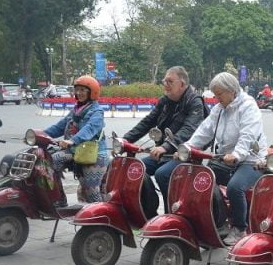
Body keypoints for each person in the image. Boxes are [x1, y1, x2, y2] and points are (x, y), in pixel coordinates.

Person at [182, 72, 267, 244]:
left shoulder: (248, 106)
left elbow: (248, 135)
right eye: (215, 94)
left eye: (219, 94)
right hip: (225, 158)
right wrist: (188, 147)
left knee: (235, 187)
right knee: (200, 179)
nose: (216, 97)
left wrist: (236, 155)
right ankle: (217, 219)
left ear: (232, 91)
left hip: (250, 160)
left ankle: (239, 229)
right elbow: (205, 130)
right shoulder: (220, 108)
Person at [123, 66, 205, 210]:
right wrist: (125, 140)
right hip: (163, 153)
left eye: (170, 81)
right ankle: (147, 210)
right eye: (164, 81)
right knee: (136, 169)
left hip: (185, 155)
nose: (165, 85)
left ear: (182, 84)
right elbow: (147, 122)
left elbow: (188, 129)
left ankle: (173, 213)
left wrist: (165, 146)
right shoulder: (165, 101)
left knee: (163, 174)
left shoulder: (195, 102)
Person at [43, 75, 108, 203]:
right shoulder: (76, 110)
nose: (79, 93)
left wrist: (73, 140)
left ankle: (102, 217)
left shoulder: (97, 112)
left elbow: (89, 129)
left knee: (92, 193)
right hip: (76, 151)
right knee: (48, 159)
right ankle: (58, 198)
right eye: (77, 89)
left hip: (94, 155)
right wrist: (40, 135)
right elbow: (59, 127)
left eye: (83, 90)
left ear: (92, 92)